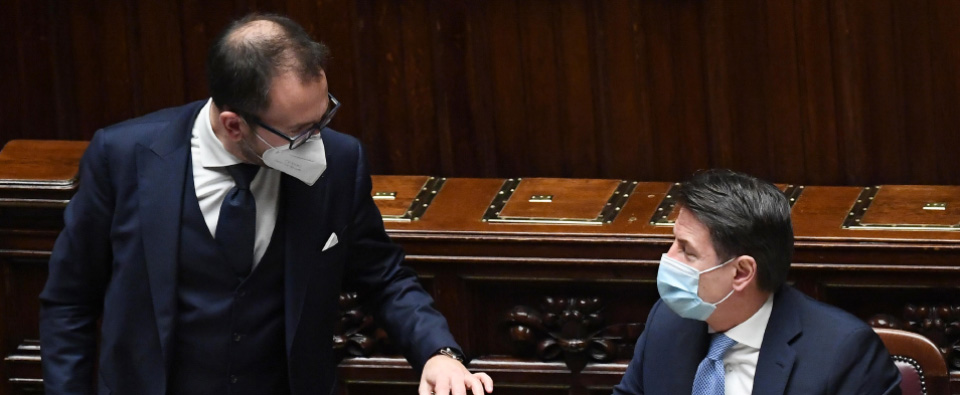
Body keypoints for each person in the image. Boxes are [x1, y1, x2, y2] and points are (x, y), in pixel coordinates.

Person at [39, 13, 493, 395]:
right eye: (300, 131)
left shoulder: (335, 161)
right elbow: (69, 301)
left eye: (324, 115)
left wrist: (440, 352)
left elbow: (384, 274)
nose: (317, 141)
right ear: (234, 124)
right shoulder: (121, 157)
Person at [613, 169, 900, 395]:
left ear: (741, 273)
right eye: (673, 242)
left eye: (687, 251)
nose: (669, 258)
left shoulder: (843, 354)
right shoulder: (666, 323)